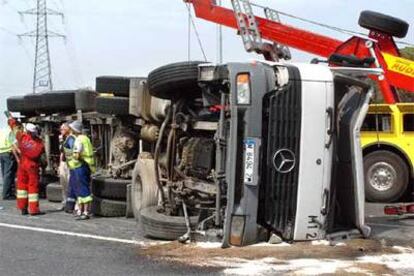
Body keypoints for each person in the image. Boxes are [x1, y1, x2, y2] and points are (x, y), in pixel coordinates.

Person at [8, 117, 45, 216]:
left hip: (22, 165)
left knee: (21, 187)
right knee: (33, 187)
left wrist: (12, 120)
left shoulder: (22, 137)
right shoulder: (39, 143)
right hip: (32, 166)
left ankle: (23, 208)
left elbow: (14, 128)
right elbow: (37, 155)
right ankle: (33, 209)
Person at [68, 121, 96, 220]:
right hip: (86, 166)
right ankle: (82, 211)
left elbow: (77, 154)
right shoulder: (86, 138)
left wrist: (73, 157)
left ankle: (84, 212)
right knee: (83, 188)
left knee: (82, 189)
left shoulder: (78, 140)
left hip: (80, 166)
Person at [59, 123, 75, 211]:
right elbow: (61, 152)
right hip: (63, 163)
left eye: (63, 129)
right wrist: (60, 164)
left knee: (70, 183)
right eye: (61, 129)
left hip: (70, 163)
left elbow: (72, 151)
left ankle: (71, 204)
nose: (62, 131)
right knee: (63, 183)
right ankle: (64, 202)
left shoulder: (71, 138)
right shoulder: (62, 139)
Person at [0, 120, 17, 200]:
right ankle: (6, 194)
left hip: (1, 152)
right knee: (8, 174)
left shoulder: (2, 130)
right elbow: (13, 144)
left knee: (4, 174)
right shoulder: (11, 132)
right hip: (8, 153)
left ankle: (6, 191)